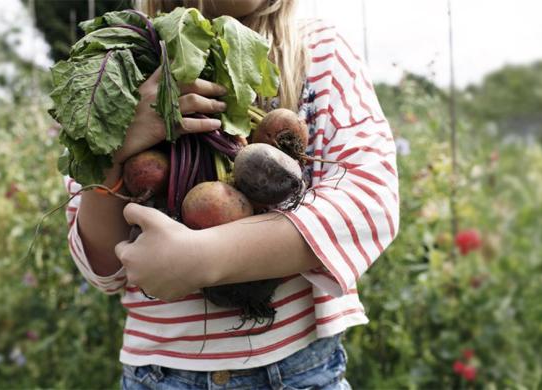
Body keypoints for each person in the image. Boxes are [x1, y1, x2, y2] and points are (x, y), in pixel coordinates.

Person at [61, 0, 399, 388]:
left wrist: (208, 257)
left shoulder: (316, 50)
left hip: (298, 372)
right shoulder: (129, 69)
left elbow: (370, 202)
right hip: (160, 376)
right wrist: (114, 145)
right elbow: (103, 269)